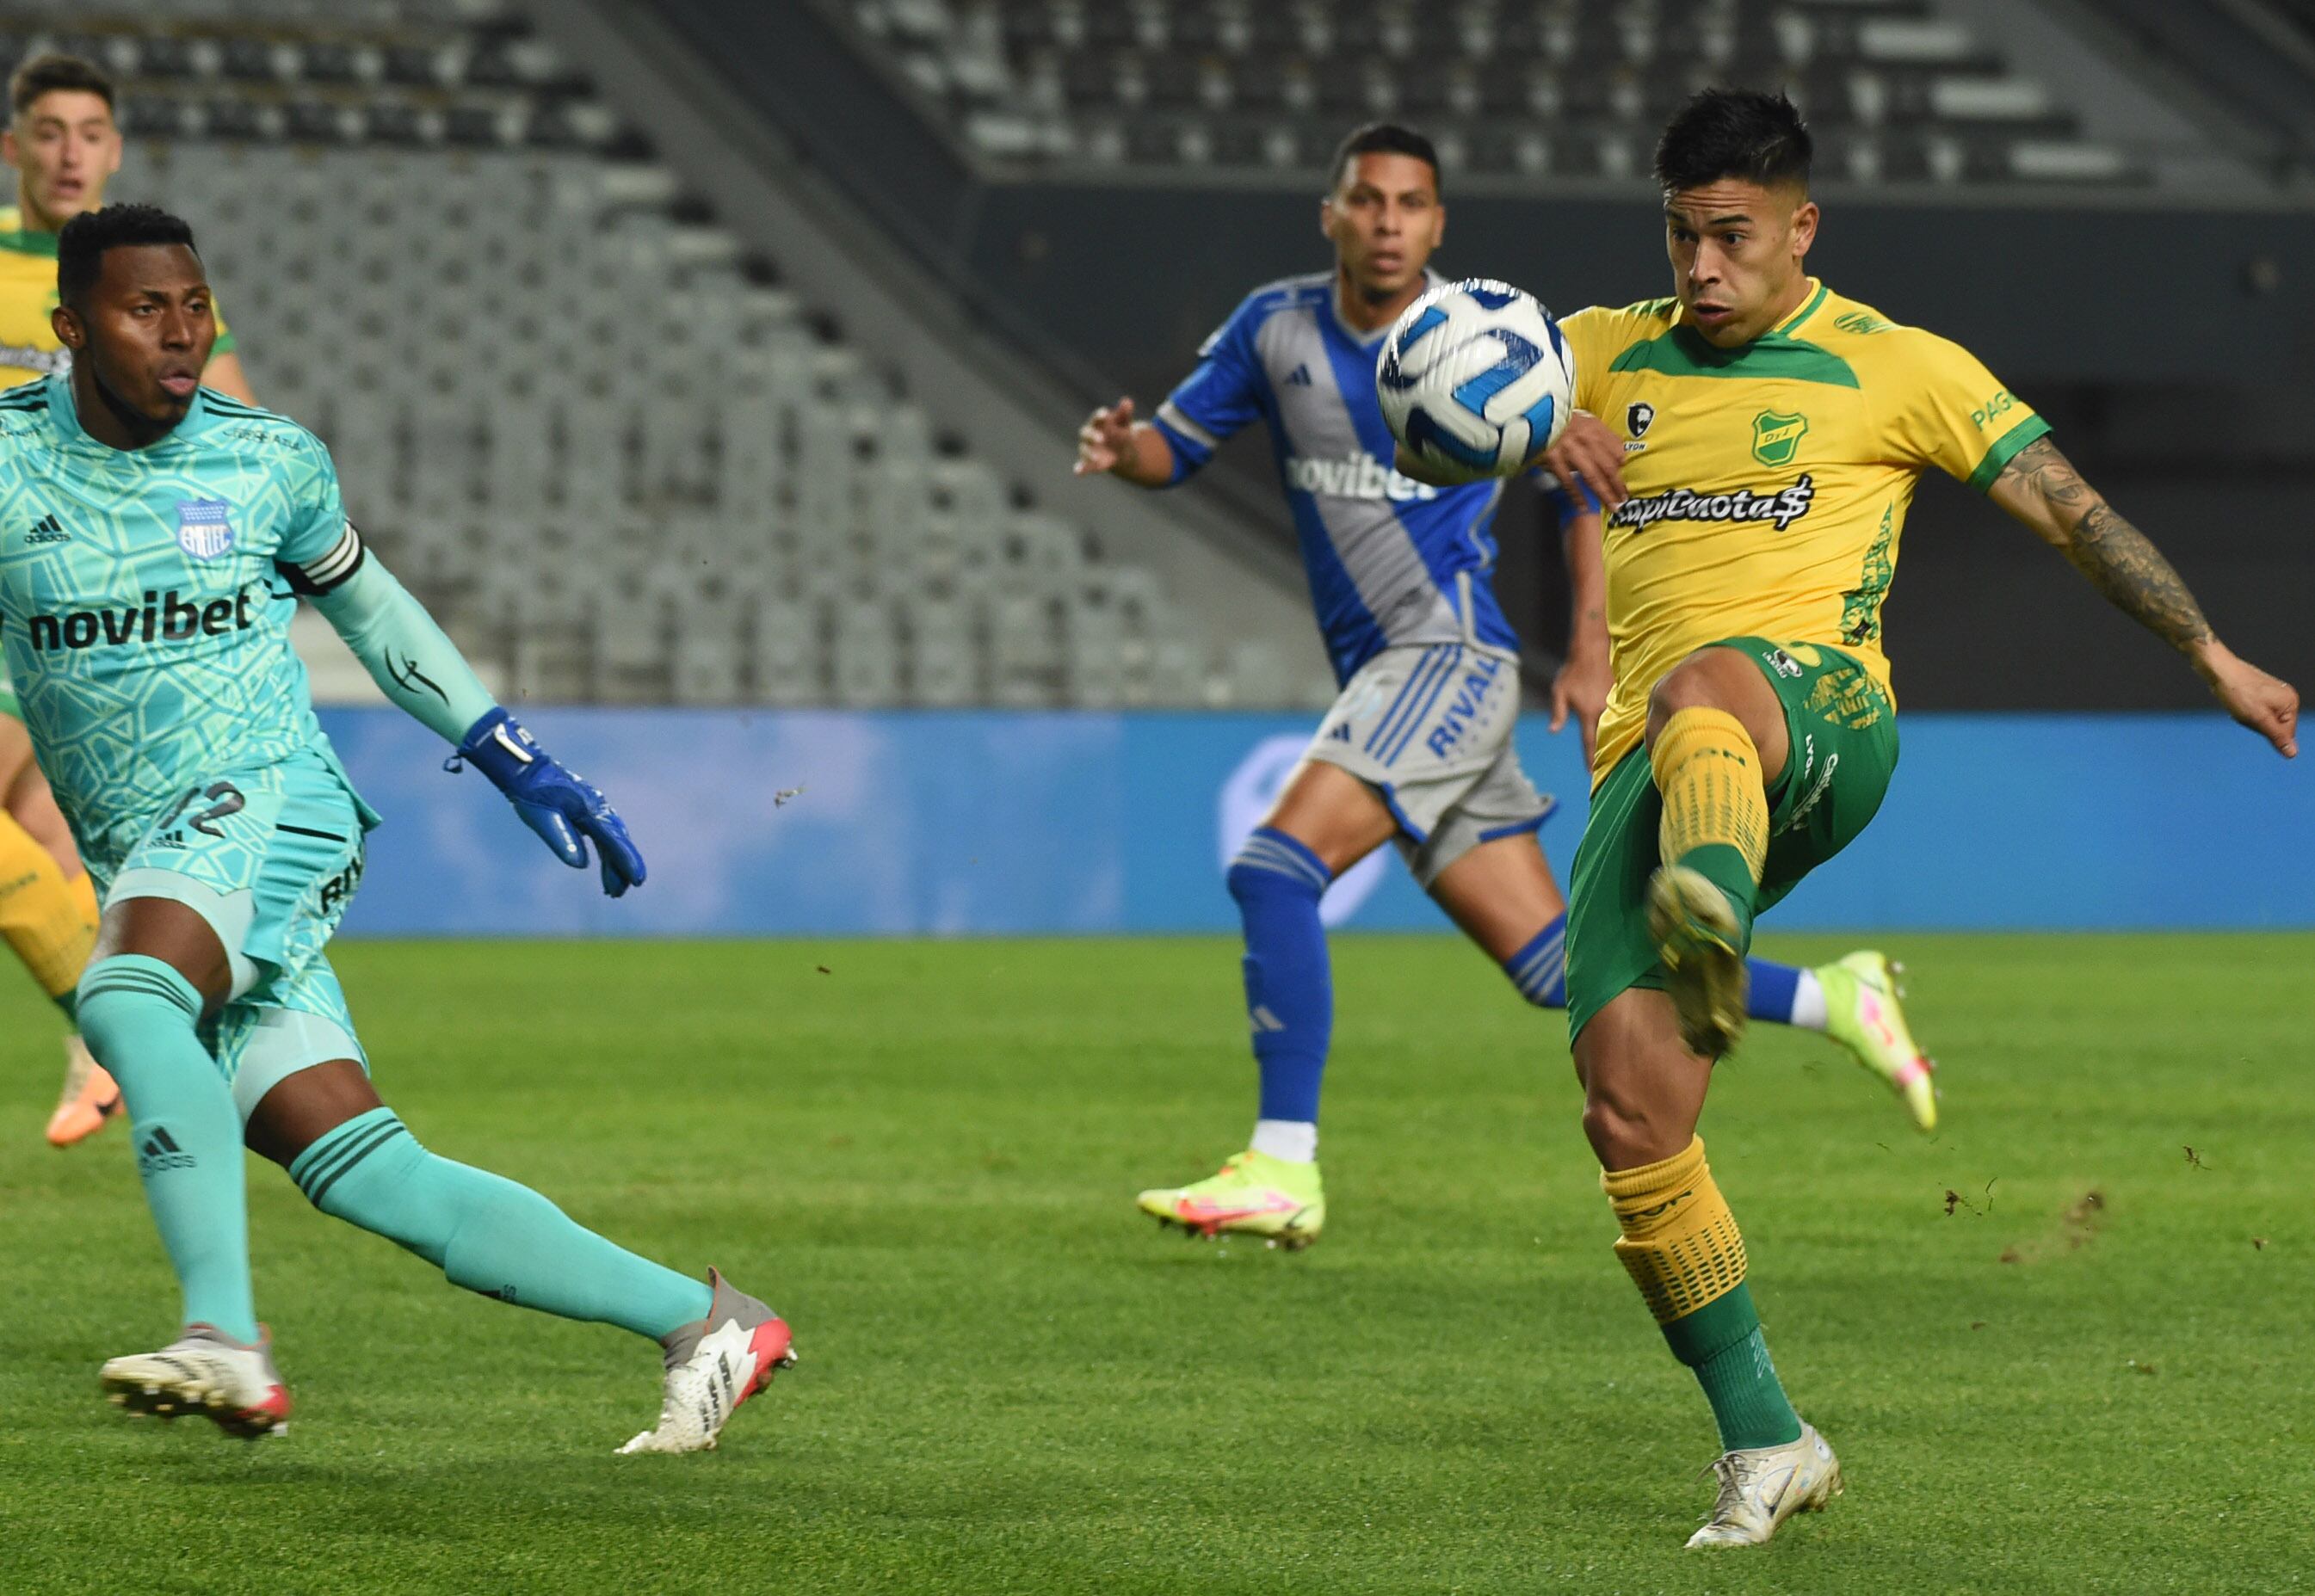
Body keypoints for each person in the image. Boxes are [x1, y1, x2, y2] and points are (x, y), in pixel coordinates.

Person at [1495, 89, 2298, 1547]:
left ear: (1802, 228)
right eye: (1681, 234)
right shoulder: (1597, 354)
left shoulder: (1897, 367)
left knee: (1709, 684)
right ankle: (1770, 1440)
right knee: (1631, 1113)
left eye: (1732, 235)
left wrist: (2213, 655)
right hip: (1652, 773)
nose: (1701, 266)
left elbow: (2077, 516)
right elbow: (1434, 396)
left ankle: (1715, 911)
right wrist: (1532, 441)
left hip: (1820, 724)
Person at [0, 204, 794, 1451]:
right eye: (144, 307)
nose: (181, 333)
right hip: (158, 849)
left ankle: (222, 1337)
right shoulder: (6, 462)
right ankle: (710, 1323)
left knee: (129, 995)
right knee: (365, 1167)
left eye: (195, 305)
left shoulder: (269, 461)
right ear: (69, 327)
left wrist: (511, 754)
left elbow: (373, 611)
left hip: (272, 802)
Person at [1076, 122, 1936, 1253]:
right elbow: (1176, 450)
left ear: (1437, 223)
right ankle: (1838, 996)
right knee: (1551, 967)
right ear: (1331, 213)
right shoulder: (1272, 329)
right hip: (1388, 676)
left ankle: (1280, 1161)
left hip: (1443, 655)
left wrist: (1590, 643)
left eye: (1411, 204)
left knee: (1273, 867)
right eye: (1367, 200)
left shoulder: (1482, 337)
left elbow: (1589, 481)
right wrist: (1122, 445)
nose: (1388, 222)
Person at [0, 52, 261, 1146]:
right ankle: (121, 1035)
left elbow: (236, 434)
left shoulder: (135, 289)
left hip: (81, 600)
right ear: (14, 147)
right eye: (48, 131)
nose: (69, 152)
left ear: (113, 148)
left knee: (43, 841)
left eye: (89, 132)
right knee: (38, 839)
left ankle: (114, 1028)